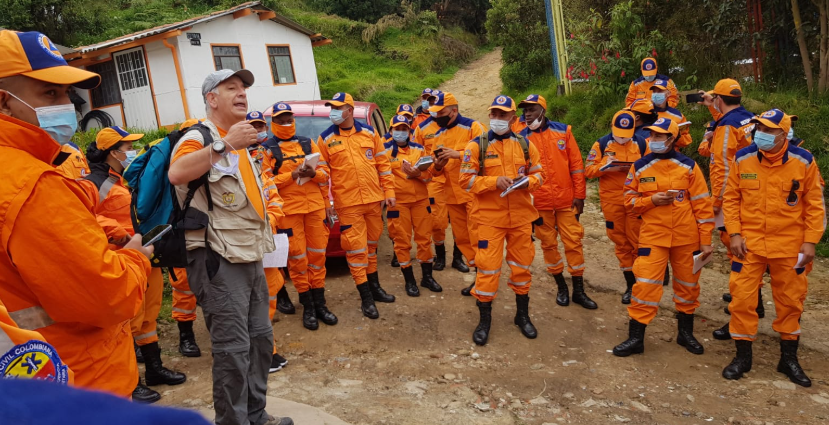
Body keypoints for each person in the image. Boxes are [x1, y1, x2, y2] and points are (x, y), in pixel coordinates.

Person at [0, 29, 153, 399]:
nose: (66, 104)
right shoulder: (31, 183)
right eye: (49, 93)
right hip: (79, 377)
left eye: (67, 93)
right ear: (4, 102)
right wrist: (135, 258)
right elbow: (106, 296)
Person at [167, 69, 291, 425]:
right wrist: (223, 144)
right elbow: (177, 173)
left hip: (249, 254)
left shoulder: (240, 141)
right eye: (231, 88)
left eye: (244, 89)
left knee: (260, 342)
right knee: (233, 350)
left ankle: (256, 415)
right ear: (211, 99)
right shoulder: (200, 136)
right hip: (218, 259)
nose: (241, 94)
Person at [720, 109, 825, 386]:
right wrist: (734, 233)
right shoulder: (742, 158)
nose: (761, 135)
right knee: (741, 300)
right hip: (749, 245)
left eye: (767, 130)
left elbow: (815, 205)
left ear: (783, 134)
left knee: (791, 302)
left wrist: (811, 241)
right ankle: (743, 357)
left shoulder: (804, 162)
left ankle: (788, 359)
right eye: (759, 129)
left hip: (790, 247)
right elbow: (730, 200)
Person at [83, 127, 186, 403]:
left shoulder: (125, 179)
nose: (131, 152)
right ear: (112, 152)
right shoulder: (93, 182)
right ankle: (132, 383)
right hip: (119, 258)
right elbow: (83, 216)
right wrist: (117, 231)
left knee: (148, 315)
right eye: (127, 147)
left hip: (143, 255)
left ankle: (154, 369)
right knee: (128, 320)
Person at [612, 118, 714, 357]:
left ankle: (685, 333)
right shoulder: (639, 167)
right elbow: (628, 201)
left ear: (672, 138)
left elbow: (702, 205)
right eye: (652, 135)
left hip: (686, 238)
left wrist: (706, 241)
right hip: (653, 237)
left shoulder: (689, 166)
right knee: (645, 286)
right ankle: (636, 338)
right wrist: (651, 201)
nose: (654, 140)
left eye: (660, 136)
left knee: (688, 286)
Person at [458, 95, 545, 345]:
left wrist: (529, 182)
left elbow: (539, 174)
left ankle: (522, 316)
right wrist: (492, 181)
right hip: (489, 220)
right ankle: (484, 321)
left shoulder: (526, 145)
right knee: (487, 269)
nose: (496, 119)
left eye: (502, 115)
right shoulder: (477, 146)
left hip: (520, 219)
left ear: (513, 119)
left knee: (522, 268)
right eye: (493, 114)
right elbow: (465, 181)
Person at [317, 92, 396, 319]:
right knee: (356, 250)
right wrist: (326, 202)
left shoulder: (369, 133)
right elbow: (323, 176)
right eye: (331, 107)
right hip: (348, 204)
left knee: (371, 247)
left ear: (350, 111)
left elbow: (383, 164)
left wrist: (389, 192)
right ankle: (366, 298)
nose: (333, 111)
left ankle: (376, 288)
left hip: (373, 201)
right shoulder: (325, 139)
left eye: (338, 107)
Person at [261, 103, 336, 333]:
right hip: (289, 213)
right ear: (273, 123)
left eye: (289, 119)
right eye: (281, 120)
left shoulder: (307, 143)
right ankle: (308, 306)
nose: (286, 124)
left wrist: (314, 174)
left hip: (313, 208)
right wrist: (290, 175)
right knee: (297, 259)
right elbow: (265, 183)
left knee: (317, 257)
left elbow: (325, 174)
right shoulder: (267, 150)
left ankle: (320, 303)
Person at [518, 94, 596, 309]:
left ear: (542, 109)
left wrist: (580, 196)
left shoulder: (564, 131)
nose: (527, 113)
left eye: (531, 109)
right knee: (548, 244)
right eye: (524, 110)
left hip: (566, 200)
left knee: (574, 242)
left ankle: (579, 290)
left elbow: (577, 166)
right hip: (539, 204)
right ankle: (561, 286)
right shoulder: (520, 138)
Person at [698, 79, 756, 307]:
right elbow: (725, 121)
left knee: (735, 247)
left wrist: (717, 201)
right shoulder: (748, 117)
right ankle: (752, 297)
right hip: (750, 188)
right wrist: (713, 106)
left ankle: (746, 300)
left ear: (720, 99)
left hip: (732, 194)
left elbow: (721, 165)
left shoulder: (725, 127)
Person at [584, 110, 648, 304]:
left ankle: (643, 285)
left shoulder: (642, 143)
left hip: (636, 199)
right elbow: (588, 170)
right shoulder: (602, 144)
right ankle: (630, 285)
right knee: (621, 243)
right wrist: (605, 166)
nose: (622, 139)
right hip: (612, 201)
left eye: (626, 135)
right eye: (619, 135)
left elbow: (653, 168)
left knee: (639, 241)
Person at [429, 91, 486, 295]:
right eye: (435, 113)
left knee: (479, 237)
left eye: (441, 112)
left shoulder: (473, 127)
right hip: (451, 196)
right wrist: (437, 165)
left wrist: (458, 155)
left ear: (453, 111)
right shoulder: (438, 135)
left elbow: (487, 155)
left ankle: (485, 278)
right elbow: (435, 172)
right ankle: (478, 275)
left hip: (473, 194)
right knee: (462, 239)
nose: (437, 117)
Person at [379, 114, 442, 296]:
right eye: (397, 129)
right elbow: (381, 177)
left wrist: (417, 174)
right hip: (398, 203)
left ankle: (427, 277)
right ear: (390, 131)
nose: (400, 132)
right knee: (402, 241)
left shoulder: (419, 149)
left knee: (424, 239)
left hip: (421, 201)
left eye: (404, 129)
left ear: (409, 131)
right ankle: (410, 280)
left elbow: (430, 176)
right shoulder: (383, 151)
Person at [168, 118, 204, 359]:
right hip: (177, 231)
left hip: (202, 230)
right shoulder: (170, 166)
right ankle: (186, 335)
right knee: (183, 286)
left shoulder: (205, 161)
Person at [413, 92, 451, 271]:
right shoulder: (422, 128)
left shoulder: (457, 127)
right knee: (437, 221)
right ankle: (440, 255)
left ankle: (459, 257)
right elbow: (416, 153)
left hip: (456, 180)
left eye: (435, 101)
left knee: (461, 222)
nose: (431, 104)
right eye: (428, 101)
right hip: (434, 179)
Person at [649, 79, 692, 150]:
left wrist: (676, 136)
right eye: (654, 91)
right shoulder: (645, 111)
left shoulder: (677, 116)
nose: (656, 94)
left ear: (668, 93)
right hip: (647, 155)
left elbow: (686, 140)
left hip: (671, 155)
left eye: (660, 91)